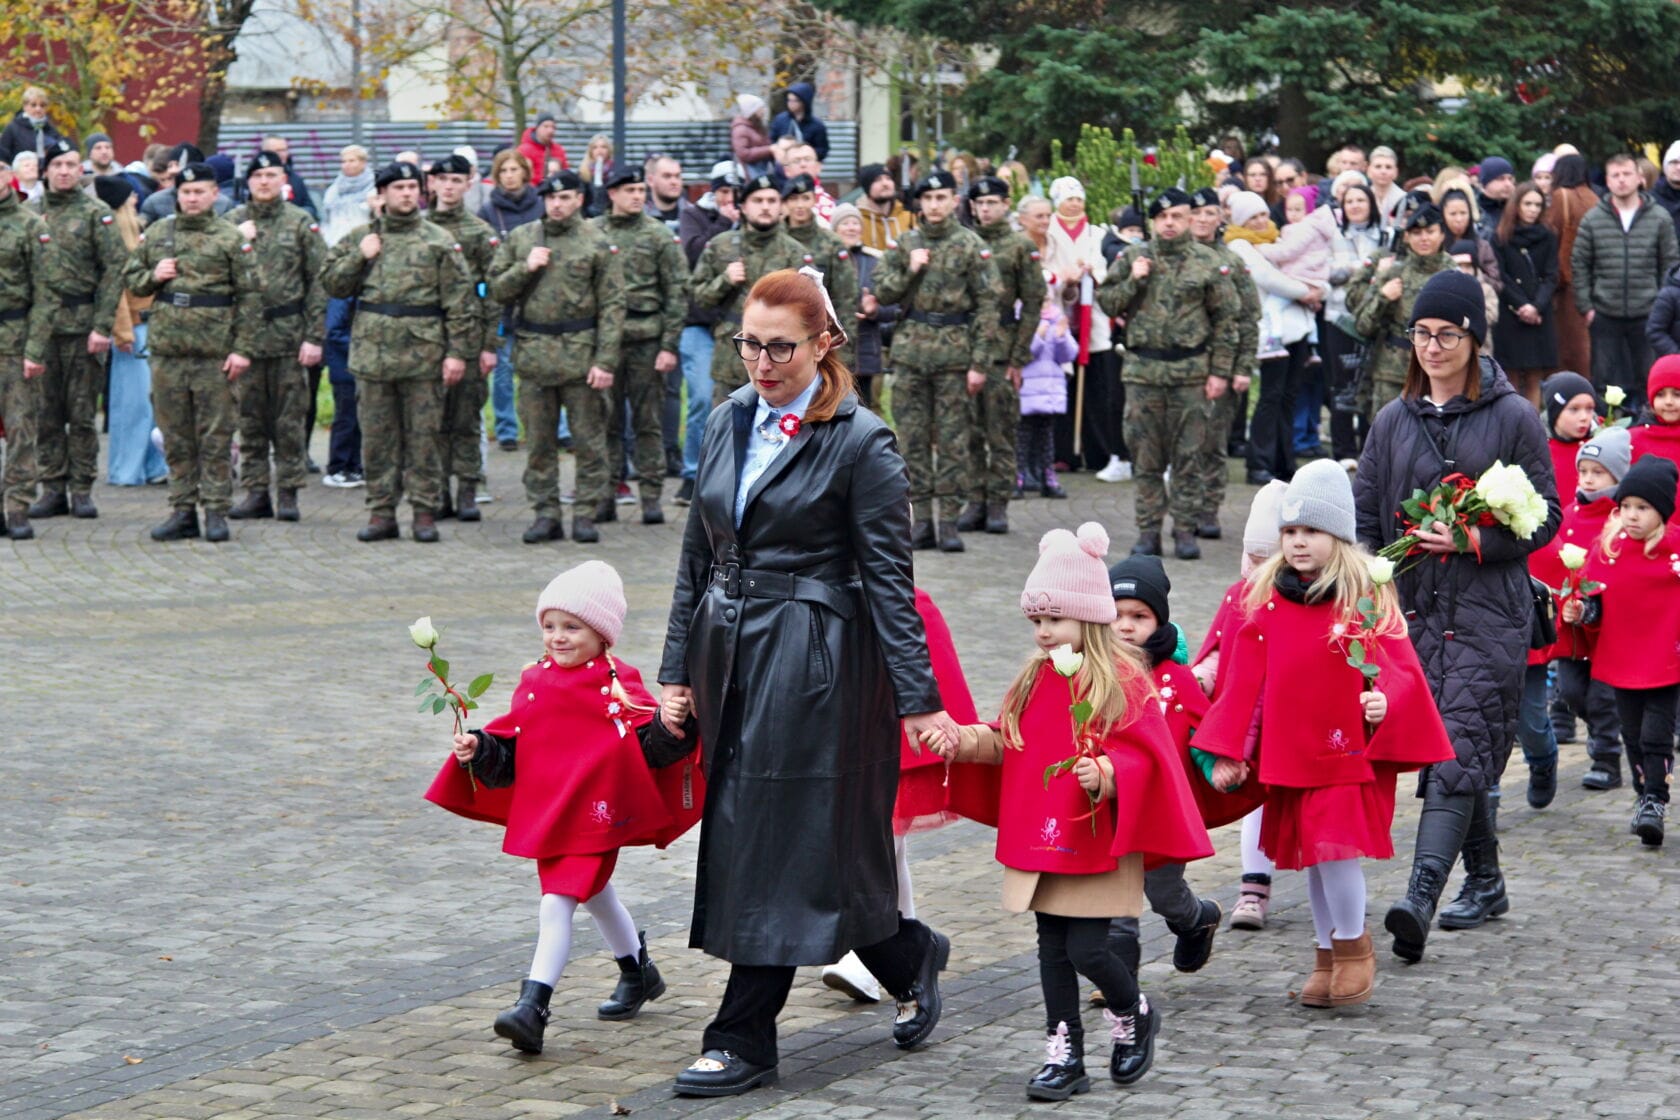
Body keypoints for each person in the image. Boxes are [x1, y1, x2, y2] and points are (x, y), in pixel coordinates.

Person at [658, 268, 960, 1099]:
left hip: (816, 660)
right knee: (781, 835)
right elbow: (697, 552)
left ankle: (742, 1036)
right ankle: (906, 952)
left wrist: (918, 699)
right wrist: (675, 671)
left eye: (780, 348)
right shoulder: (729, 417)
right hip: (729, 649)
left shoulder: (863, 442)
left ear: (825, 342)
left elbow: (890, 582)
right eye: (749, 344)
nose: (762, 363)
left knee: (775, 840)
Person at [932, 524, 1209, 1099]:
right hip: (1046, 834)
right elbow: (1009, 740)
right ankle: (1065, 1052)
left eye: (1053, 618)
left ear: (1087, 615)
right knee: (1052, 949)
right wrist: (962, 740)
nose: (1042, 632)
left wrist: (1107, 773)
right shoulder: (1035, 677)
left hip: (1098, 837)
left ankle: (1133, 1011)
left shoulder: (1123, 678)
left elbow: (1149, 756)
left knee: (1088, 948)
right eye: (1036, 620)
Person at [1355, 270, 1561, 964]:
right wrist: (1371, 578)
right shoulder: (1392, 421)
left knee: (1458, 747)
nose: (1433, 347)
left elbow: (1547, 517)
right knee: (1454, 751)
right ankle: (1488, 880)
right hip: (1412, 616)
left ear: (1475, 340)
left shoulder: (1515, 417)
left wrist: (1476, 539)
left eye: (1447, 334)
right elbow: (1365, 515)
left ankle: (1419, 898)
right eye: (1422, 333)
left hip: (1488, 614)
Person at [1201, 460, 1454, 1007]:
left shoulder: (1364, 595)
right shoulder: (1266, 599)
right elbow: (1243, 680)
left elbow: (1397, 664)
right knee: (1312, 857)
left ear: (1337, 534)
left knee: (1335, 851)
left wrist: (1384, 699)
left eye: (1311, 530)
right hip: (1289, 751)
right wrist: (1229, 747)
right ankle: (1325, 955)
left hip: (1344, 751)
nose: (1297, 542)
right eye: (1290, 531)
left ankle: (1354, 947)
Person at [426, 560, 703, 1053]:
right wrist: (481, 748)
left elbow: (649, 750)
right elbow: (516, 750)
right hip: (555, 815)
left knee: (556, 903)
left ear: (602, 634)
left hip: (599, 815)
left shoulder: (618, 684)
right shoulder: (535, 680)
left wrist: (670, 723)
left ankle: (532, 1007)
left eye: (572, 627)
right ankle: (638, 972)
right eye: (550, 625)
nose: (558, 637)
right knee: (596, 896)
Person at [320, 161, 478, 543]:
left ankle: (424, 512)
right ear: (382, 193)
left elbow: (460, 303)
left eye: (411, 187)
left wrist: (457, 353)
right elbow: (331, 284)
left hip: (423, 355)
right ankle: (382, 512)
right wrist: (360, 257)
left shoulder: (438, 240)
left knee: (424, 438)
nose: (406, 194)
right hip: (373, 356)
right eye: (398, 187)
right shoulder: (361, 237)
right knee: (377, 439)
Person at [1102, 554, 1229, 984]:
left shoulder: (1175, 676)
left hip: (1161, 810)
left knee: (1164, 893)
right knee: (1115, 897)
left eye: (1139, 616)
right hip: (1111, 803)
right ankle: (1119, 982)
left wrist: (1218, 766)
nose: (1125, 626)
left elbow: (1202, 731)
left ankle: (1196, 920)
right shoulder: (1093, 670)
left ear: (1158, 621)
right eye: (1116, 615)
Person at [121, 161, 262, 543]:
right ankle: (182, 510)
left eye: (200, 191)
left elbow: (251, 297)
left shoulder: (230, 238)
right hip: (169, 353)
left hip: (214, 355)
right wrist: (154, 276)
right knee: (175, 436)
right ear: (176, 195)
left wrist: (243, 349)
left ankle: (215, 511)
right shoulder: (159, 233)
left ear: (214, 194)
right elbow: (131, 277)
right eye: (186, 192)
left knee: (215, 437)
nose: (193, 198)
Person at [1097, 188, 1240, 561]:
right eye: (1162, 218)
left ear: (1190, 218)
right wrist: (1133, 280)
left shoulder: (1208, 262)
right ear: (1153, 222)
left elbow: (1226, 321)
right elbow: (1107, 302)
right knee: (1145, 456)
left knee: (1189, 455)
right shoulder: (1134, 256)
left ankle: (1185, 528)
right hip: (1143, 373)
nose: (1170, 223)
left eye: (1177, 216)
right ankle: (1148, 530)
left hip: (1191, 374)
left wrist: (1220, 372)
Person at [487, 170, 624, 544]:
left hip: (582, 356)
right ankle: (545, 514)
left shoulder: (597, 242)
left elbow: (613, 305)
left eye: (565, 198)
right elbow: (496, 290)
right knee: (539, 444)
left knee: (589, 442)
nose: (557, 204)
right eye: (551, 198)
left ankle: (585, 513)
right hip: (535, 355)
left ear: (579, 199)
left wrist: (605, 360)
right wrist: (525, 267)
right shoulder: (522, 238)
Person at [873, 170, 1003, 553]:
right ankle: (920, 521)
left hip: (954, 354)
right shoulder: (905, 243)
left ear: (954, 201)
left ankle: (948, 521)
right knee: (911, 439)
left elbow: (989, 307)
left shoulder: (970, 245)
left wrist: (980, 363)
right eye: (927, 199)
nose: (934, 205)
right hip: (910, 353)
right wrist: (910, 269)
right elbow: (881, 292)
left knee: (952, 440)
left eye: (941, 197)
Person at [1562, 454, 1680, 847]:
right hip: (1622, 657)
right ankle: (1644, 793)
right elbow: (1595, 602)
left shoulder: (1675, 550)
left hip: (1666, 659)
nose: (1631, 515)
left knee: (1656, 734)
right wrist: (1581, 611)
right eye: (1626, 505)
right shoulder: (1608, 549)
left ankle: (1655, 801)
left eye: (1642, 507)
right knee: (1632, 733)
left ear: (1661, 510)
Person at [1190, 480, 1288, 929]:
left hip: (1288, 718)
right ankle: (1253, 887)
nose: (1256, 567)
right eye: (1252, 556)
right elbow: (1218, 646)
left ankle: (1326, 879)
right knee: (1255, 802)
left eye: (1266, 559)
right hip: (1247, 721)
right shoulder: (1238, 595)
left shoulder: (1300, 600)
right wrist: (1203, 676)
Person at [222, 151, 328, 524]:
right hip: (246, 340)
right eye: (258, 176)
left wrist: (314, 336)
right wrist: (236, 241)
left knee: (289, 421)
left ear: (283, 179)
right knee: (249, 419)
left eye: (271, 175)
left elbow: (319, 282)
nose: (264, 182)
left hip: (289, 337)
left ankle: (288, 492)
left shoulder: (300, 222)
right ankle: (255, 492)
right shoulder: (232, 223)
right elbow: (213, 273)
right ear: (248, 182)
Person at [28, 138, 125, 522]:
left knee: (82, 415)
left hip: (84, 328)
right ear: (46, 171)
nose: (65, 171)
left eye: (71, 165)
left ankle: (82, 489)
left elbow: (114, 270)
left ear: (80, 170)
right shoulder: (30, 213)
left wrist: (102, 325)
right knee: (45, 414)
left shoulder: (96, 213)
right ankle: (52, 487)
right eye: (58, 165)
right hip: (41, 331)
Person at [591, 166, 687, 528]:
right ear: (612, 194)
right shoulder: (593, 232)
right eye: (628, 190)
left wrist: (669, 345)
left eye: (640, 190)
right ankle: (606, 493)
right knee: (606, 421)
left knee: (649, 423)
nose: (636, 196)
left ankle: (650, 496)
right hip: (605, 341)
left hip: (647, 339)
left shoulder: (658, 235)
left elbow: (676, 292)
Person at [1538, 424, 1629, 791]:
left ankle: (1607, 758)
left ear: (1617, 476)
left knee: (1603, 696)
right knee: (1571, 691)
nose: (1588, 479)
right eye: (1583, 471)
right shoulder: (1569, 513)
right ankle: (1604, 730)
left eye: (1598, 472)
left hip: (1610, 628)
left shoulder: (1622, 518)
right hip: (1573, 625)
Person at [959, 176, 1045, 534]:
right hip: (964, 347)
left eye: (992, 203)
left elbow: (1034, 302)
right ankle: (974, 499)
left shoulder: (1020, 246)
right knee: (968, 432)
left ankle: (998, 503)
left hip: (1002, 348)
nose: (985, 209)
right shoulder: (964, 241)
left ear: (1006, 205)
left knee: (1000, 431)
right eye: (979, 204)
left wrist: (1018, 355)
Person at [1224, 190, 1325, 487]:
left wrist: (1319, 290)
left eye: (1263, 214)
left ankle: (1284, 461)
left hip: (1297, 329)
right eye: (1252, 217)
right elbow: (1267, 278)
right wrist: (1306, 292)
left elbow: (1305, 267)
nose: (1260, 221)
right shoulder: (1239, 244)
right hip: (1270, 332)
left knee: (1288, 396)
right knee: (1270, 395)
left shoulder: (1277, 239)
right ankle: (1259, 462)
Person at [424, 154, 501, 521]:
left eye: (457, 180)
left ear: (468, 185)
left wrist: (489, 345)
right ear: (432, 183)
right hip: (425, 339)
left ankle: (468, 488)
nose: (449, 187)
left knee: (466, 419)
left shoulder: (479, 232)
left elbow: (493, 292)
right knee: (431, 418)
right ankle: (437, 490)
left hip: (469, 339)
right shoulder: (419, 228)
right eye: (443, 180)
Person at [1571, 153, 1680, 410]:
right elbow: (1580, 263)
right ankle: (1605, 428)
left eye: (1627, 174)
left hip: (1648, 311)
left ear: (1640, 178)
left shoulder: (1659, 217)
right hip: (1604, 312)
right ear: (1607, 181)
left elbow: (1670, 262)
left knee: (1650, 378)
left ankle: (1650, 427)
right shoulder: (1593, 218)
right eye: (1615, 175)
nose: (1621, 180)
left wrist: (1662, 303)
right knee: (1604, 381)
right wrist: (1586, 306)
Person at [688, 173, 807, 403]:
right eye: (758, 201)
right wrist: (725, 280)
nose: (765, 207)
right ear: (743, 207)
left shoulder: (795, 252)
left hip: (779, 361)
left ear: (781, 207)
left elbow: (806, 307)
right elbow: (698, 298)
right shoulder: (720, 246)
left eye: (772, 201)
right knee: (728, 423)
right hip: (730, 359)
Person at [1184, 188, 1258, 533]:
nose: (1202, 219)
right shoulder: (1176, 258)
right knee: (1183, 445)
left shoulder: (1233, 263)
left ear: (1220, 218)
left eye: (1209, 213)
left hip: (1222, 366)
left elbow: (1249, 318)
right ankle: (1183, 509)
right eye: (1196, 212)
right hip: (1182, 367)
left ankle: (1208, 509)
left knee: (1212, 443)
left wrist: (1243, 367)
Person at [1046, 177, 1126, 480]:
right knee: (1062, 385)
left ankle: (1097, 450)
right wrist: (1064, 276)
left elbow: (1104, 267)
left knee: (1097, 387)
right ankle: (1063, 451)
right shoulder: (1049, 232)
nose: (1075, 204)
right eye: (1069, 199)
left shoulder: (1096, 233)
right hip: (1061, 312)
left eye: (1078, 198)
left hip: (1093, 316)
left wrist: (1091, 272)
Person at [1345, 203, 1456, 418]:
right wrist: (1383, 298)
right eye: (1416, 233)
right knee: (1388, 434)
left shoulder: (1454, 275)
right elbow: (1363, 325)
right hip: (1391, 374)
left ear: (1442, 234)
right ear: (1406, 237)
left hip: (1439, 371)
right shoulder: (1394, 272)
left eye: (1430, 231)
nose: (1424, 238)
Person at [96, 176, 166, 492]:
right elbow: (116, 291)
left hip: (149, 325)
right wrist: (123, 332)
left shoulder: (137, 236)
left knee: (151, 404)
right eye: (131, 197)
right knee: (132, 405)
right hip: (132, 329)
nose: (137, 200)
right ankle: (125, 469)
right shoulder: (116, 239)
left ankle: (153, 466)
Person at [674, 164, 739, 505]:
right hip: (699, 323)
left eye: (735, 193)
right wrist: (725, 222)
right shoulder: (694, 215)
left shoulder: (753, 218)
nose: (730, 199)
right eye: (723, 192)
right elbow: (694, 252)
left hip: (737, 327)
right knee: (701, 397)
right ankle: (691, 473)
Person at [0, 165, 52, 540]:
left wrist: (35, 349)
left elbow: (46, 294)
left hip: (15, 344)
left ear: (7, 177)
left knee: (21, 429)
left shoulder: (30, 225)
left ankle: (17, 506)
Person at [480, 149, 544, 452]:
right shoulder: (489, 211)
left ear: (525, 173)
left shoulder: (541, 206)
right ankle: (506, 428)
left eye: (514, 169)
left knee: (544, 369)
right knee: (504, 370)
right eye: (503, 170)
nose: (509, 176)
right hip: (504, 300)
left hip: (540, 297)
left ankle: (553, 428)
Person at [1322, 182, 1385, 463]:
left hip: (1375, 317)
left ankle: (1369, 449)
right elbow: (1327, 274)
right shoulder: (1333, 236)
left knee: (1371, 382)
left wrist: (1351, 271)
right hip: (1339, 318)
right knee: (1342, 384)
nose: (1355, 206)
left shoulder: (1385, 236)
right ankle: (1344, 450)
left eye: (1361, 200)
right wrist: (1361, 269)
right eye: (1350, 201)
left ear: (1371, 204)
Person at [1491, 182, 1560, 407]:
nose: (1532, 209)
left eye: (1537, 205)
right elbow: (1501, 276)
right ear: (1516, 205)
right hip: (1510, 312)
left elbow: (1551, 275)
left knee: (1534, 376)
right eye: (1527, 204)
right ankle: (1512, 420)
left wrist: (1536, 306)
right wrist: (1521, 305)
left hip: (1539, 311)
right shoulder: (1500, 236)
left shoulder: (1548, 235)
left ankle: (1533, 423)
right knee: (1509, 375)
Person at [779, 173, 856, 365]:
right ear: (785, 203)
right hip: (779, 333)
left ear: (814, 200)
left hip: (820, 334)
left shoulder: (831, 243)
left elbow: (845, 297)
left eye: (805, 198)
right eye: (793, 199)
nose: (800, 205)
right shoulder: (775, 241)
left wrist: (844, 347)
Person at [831, 201, 896, 411]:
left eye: (855, 223)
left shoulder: (876, 262)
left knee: (867, 409)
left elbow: (894, 308)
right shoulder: (826, 260)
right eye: (845, 223)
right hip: (833, 348)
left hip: (866, 348)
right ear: (835, 229)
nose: (851, 228)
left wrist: (873, 311)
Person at [1545, 155, 1599, 377]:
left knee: (1567, 346)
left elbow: (1551, 234)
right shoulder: (1595, 198)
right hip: (1593, 279)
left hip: (1566, 281)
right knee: (1587, 345)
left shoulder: (1561, 197)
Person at [1018, 285, 1074, 497]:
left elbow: (1068, 355)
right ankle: (1019, 478)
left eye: (1048, 300)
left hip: (1049, 390)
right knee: (1022, 437)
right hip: (1028, 389)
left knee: (1046, 437)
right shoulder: (1021, 318)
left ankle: (1048, 478)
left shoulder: (1057, 319)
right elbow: (1023, 353)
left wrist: (1061, 337)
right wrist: (1039, 336)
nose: (1045, 305)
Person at [320, 145, 374, 248]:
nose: (346, 165)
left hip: (363, 243)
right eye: (343, 161)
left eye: (351, 161)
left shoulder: (373, 187)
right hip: (335, 243)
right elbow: (326, 219)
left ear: (363, 163)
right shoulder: (334, 190)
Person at [856, 163, 915, 253]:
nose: (885, 183)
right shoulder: (857, 221)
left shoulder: (909, 218)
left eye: (888, 178)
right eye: (877, 180)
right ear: (867, 187)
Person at [0, 87, 65, 164]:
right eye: (33, 105)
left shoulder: (49, 128)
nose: (38, 109)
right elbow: (2, 155)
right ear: (25, 106)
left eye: (42, 105)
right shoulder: (13, 128)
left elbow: (63, 150)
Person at [768, 82, 829, 162]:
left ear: (804, 102)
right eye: (789, 100)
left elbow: (823, 150)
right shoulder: (780, 120)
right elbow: (771, 142)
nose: (790, 104)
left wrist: (804, 153)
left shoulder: (817, 125)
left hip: (806, 165)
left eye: (795, 101)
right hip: (783, 164)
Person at [730, 94, 775, 178]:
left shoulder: (758, 126)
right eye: (761, 108)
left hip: (762, 169)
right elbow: (743, 154)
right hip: (750, 173)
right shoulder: (741, 129)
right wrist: (769, 149)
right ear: (752, 111)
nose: (764, 111)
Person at [1475, 156, 1516, 238]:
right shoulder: (1472, 211)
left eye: (1510, 179)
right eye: (1501, 179)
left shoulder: (1516, 210)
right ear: (1485, 183)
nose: (1508, 184)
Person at [1368, 146, 1407, 226]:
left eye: (1388, 167)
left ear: (1396, 172)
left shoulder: (1404, 199)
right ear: (1369, 171)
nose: (1383, 171)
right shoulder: (1362, 198)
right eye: (1378, 167)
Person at [580, 135, 613, 219]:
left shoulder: (614, 171)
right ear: (591, 151)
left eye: (603, 147)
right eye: (595, 147)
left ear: (609, 150)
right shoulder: (583, 173)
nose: (599, 150)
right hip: (589, 219)